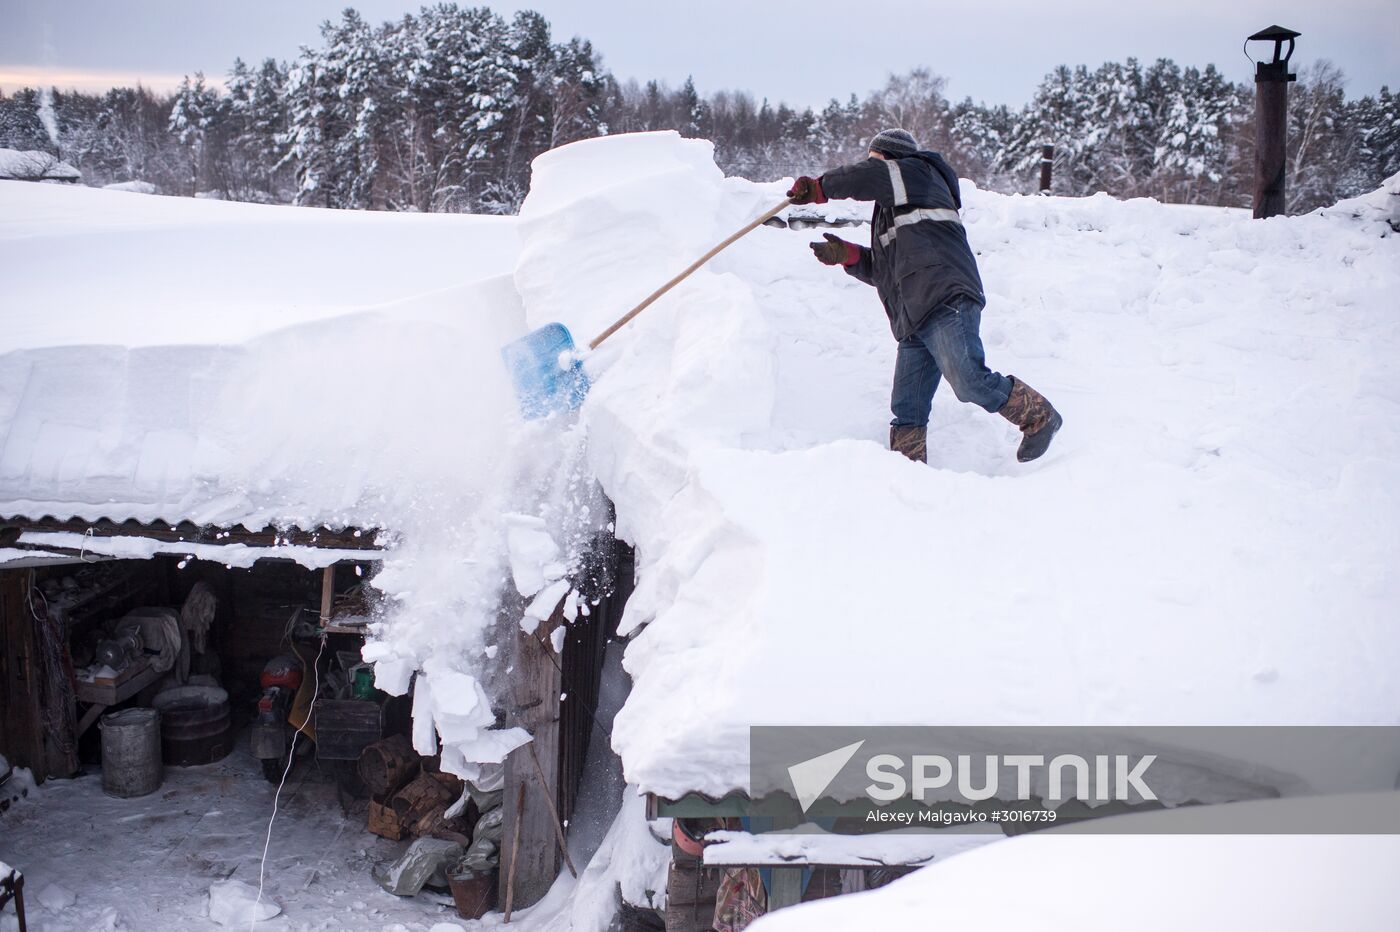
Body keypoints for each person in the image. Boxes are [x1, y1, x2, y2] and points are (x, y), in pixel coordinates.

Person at [786, 128, 1062, 464]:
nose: (872, 169)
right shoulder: (891, 212)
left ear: (894, 159)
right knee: (907, 409)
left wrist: (820, 188)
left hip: (945, 298)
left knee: (968, 380)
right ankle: (908, 475)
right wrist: (850, 257)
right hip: (914, 318)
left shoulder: (921, 174)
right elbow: (888, 273)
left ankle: (1039, 416)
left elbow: (872, 176)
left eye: (877, 162)